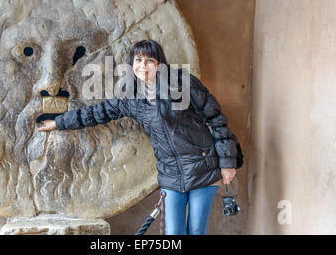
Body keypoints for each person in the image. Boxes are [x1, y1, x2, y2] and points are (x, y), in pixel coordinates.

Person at [37, 39, 239, 235]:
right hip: (170, 174)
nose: (144, 66)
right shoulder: (132, 98)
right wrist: (58, 122)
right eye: (138, 60)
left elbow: (216, 118)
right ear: (131, 64)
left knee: (196, 230)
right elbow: (98, 112)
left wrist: (227, 163)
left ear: (159, 64)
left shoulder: (181, 82)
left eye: (150, 60)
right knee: (174, 232)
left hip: (203, 166)